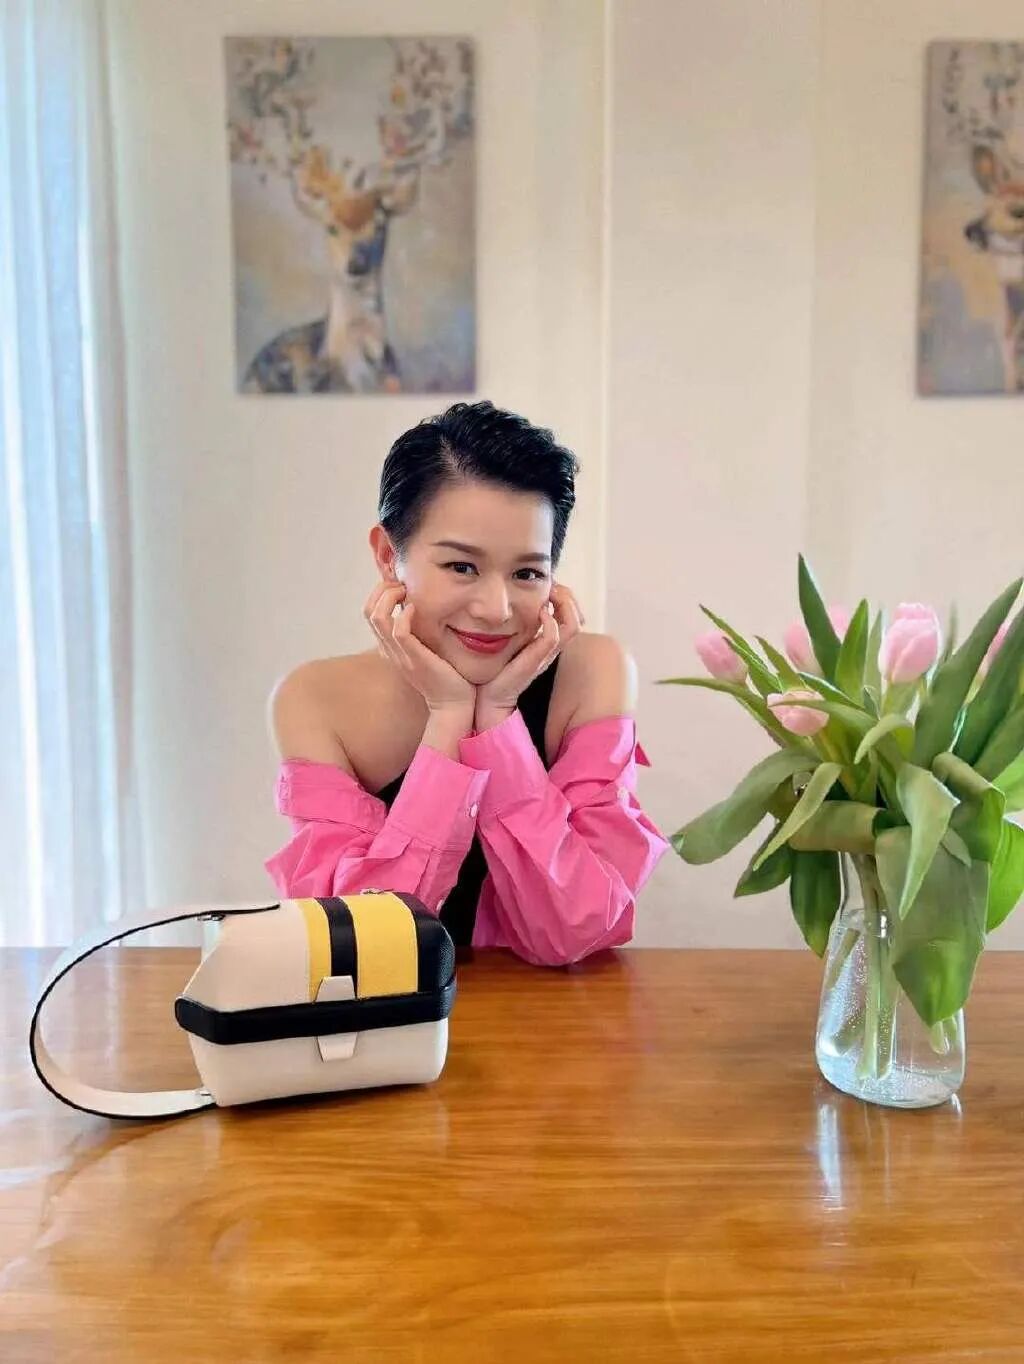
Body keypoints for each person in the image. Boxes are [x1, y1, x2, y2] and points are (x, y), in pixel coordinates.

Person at [265, 400, 668, 966]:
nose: (495, 609)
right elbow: (363, 946)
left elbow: (571, 931)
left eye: (527, 572)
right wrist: (449, 715)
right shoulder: (315, 699)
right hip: (393, 1019)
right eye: (462, 567)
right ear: (388, 556)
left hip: (553, 1015)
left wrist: (498, 715)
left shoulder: (593, 671)